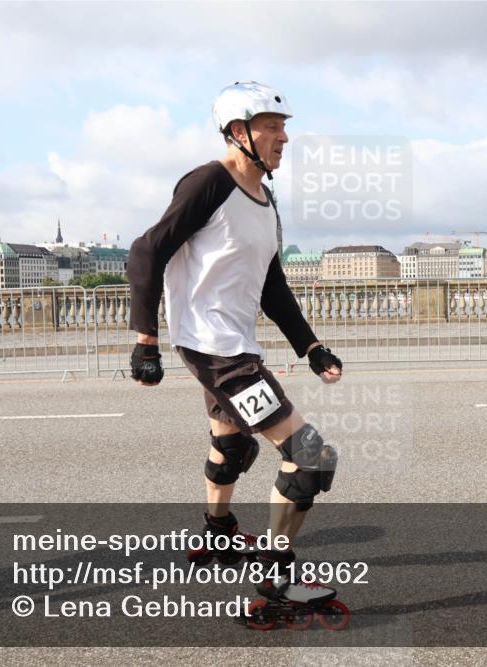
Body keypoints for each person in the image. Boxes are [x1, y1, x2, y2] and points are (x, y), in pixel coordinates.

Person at [126, 81, 344, 611]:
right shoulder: (209, 182)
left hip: (227, 345)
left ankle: (216, 535)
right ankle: (277, 583)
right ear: (239, 132)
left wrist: (310, 347)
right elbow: (145, 251)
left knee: (232, 445)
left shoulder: (265, 201)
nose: (284, 137)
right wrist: (145, 341)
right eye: (272, 126)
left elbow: (272, 285)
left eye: (285, 127)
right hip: (218, 351)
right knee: (309, 458)